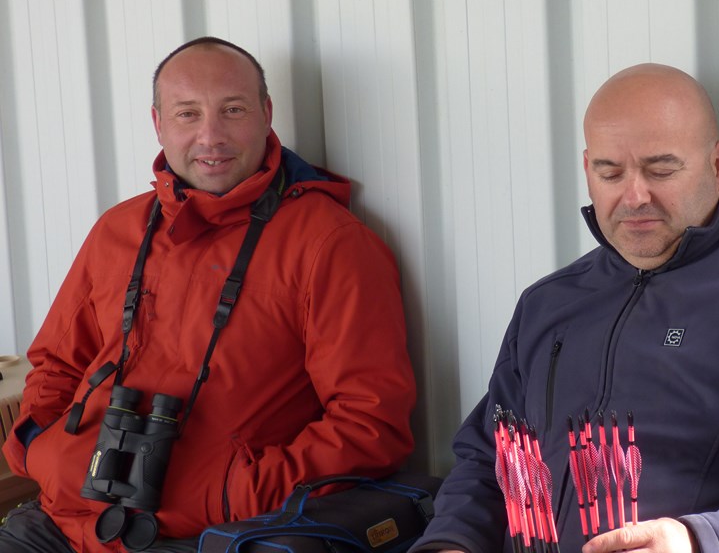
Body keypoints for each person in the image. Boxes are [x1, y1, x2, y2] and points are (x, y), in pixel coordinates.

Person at [411, 63, 719, 553]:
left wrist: (699, 541)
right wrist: (452, 541)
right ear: (587, 170)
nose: (635, 196)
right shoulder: (547, 305)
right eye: (610, 172)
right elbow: (492, 458)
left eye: (661, 169)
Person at [0, 38, 417, 553]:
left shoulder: (329, 243)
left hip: (208, 535)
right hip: (63, 520)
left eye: (233, 110)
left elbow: (370, 423)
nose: (211, 136)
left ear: (266, 114)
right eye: (188, 113)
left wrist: (229, 492)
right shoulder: (119, 229)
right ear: (158, 123)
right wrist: (43, 451)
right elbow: (57, 364)